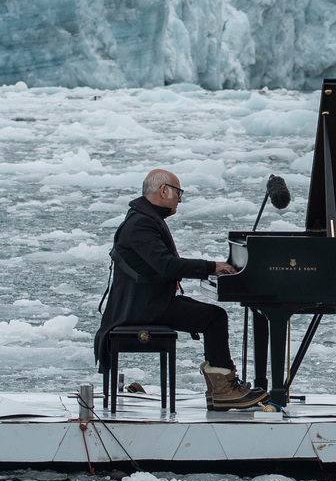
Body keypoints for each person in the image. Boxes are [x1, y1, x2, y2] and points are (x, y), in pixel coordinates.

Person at [98, 169, 266, 408]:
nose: (180, 199)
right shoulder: (141, 224)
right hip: (141, 307)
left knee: (214, 316)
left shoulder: (144, 218)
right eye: (178, 192)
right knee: (214, 317)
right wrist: (212, 267)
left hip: (147, 301)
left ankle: (223, 389)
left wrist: (209, 268)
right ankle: (223, 391)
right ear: (163, 190)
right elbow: (167, 266)